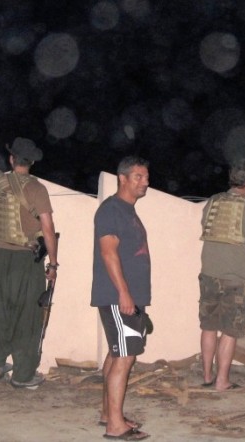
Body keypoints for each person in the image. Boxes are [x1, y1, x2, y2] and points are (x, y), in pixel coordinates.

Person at [0, 137, 59, 389]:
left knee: (2, 311)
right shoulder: (37, 189)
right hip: (26, 259)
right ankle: (23, 375)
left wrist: (5, 171)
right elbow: (48, 229)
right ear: (33, 161)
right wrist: (53, 264)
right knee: (28, 316)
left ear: (12, 159)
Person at [198, 158, 245, 393]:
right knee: (230, 330)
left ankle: (207, 375)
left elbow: (207, 227)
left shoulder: (213, 202)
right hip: (238, 278)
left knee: (208, 326)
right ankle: (222, 381)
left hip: (209, 273)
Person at [91, 156, 152, 441]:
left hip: (129, 297)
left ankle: (109, 414)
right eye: (138, 176)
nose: (145, 182)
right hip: (118, 297)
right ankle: (115, 426)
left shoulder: (128, 211)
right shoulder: (111, 209)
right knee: (125, 358)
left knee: (117, 354)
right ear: (122, 178)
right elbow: (108, 252)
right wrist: (124, 292)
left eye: (146, 177)